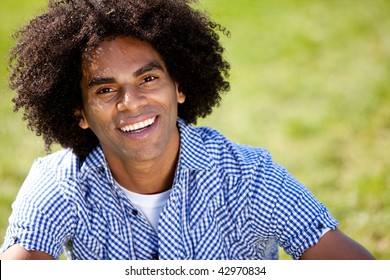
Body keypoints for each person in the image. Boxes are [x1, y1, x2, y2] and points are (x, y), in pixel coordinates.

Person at [0, 0, 374, 260]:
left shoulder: (249, 177)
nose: (131, 101)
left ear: (178, 87)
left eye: (148, 78)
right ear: (80, 112)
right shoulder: (59, 184)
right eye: (105, 89)